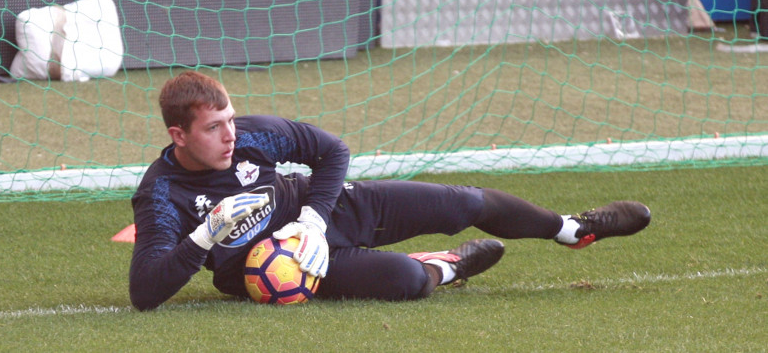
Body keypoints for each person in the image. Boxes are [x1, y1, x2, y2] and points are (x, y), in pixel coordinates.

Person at [129, 71, 651, 310]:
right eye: (213, 128)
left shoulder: (253, 135)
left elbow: (332, 151)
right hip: (284, 268)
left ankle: (573, 229)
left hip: (324, 209)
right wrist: (202, 239)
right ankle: (448, 266)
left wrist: (312, 217)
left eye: (230, 120)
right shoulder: (160, 195)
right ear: (179, 135)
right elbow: (145, 292)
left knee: (465, 202)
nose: (229, 136)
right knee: (406, 281)